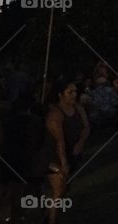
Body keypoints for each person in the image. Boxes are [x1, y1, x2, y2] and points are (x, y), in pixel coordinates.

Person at [0, 90, 46, 224]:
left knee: (2, 191)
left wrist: (2, 150)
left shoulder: (8, 121)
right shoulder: (35, 122)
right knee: (25, 192)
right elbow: (40, 142)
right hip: (25, 161)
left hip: (7, 159)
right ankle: (25, 216)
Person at [40, 78, 90, 224]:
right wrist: (64, 163)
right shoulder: (55, 114)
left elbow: (86, 127)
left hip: (71, 152)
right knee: (58, 190)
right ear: (60, 94)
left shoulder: (78, 107)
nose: (74, 94)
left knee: (64, 188)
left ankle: (47, 216)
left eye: (75, 91)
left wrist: (80, 143)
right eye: (70, 92)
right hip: (53, 156)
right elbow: (59, 141)